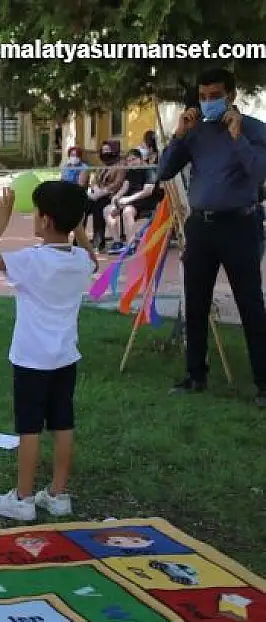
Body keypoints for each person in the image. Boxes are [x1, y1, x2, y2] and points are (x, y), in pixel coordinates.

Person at [0, 182, 95, 521]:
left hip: (31, 359)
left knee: (29, 428)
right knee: (63, 424)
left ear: (45, 219)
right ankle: (58, 494)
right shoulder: (80, 262)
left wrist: (1, 221)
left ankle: (24, 498)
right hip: (65, 357)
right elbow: (91, 259)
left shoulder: (31, 260)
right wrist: (76, 227)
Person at [158, 68, 266, 407]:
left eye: (214, 96)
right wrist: (178, 135)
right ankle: (195, 375)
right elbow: (163, 172)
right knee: (196, 301)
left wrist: (238, 138)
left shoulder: (254, 129)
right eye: (203, 97)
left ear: (230, 95)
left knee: (251, 305)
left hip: (240, 225)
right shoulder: (196, 132)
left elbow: (261, 173)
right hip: (201, 227)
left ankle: (263, 383)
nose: (208, 103)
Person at [105, 148, 158, 252]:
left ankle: (131, 244)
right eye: (128, 161)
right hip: (129, 201)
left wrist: (128, 199)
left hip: (144, 201)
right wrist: (117, 196)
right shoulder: (131, 172)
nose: (131, 162)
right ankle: (117, 242)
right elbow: (125, 186)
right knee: (107, 210)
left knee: (127, 211)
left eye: (133, 159)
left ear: (141, 159)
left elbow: (148, 191)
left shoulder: (149, 171)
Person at [85, 141, 127, 251]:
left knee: (98, 206)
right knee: (81, 206)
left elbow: (118, 183)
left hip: (111, 196)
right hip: (97, 194)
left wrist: (103, 192)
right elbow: (94, 180)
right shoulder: (102, 165)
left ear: (114, 151)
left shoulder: (121, 165)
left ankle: (98, 242)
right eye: (103, 150)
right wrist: (95, 189)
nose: (105, 153)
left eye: (108, 150)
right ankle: (78, 240)